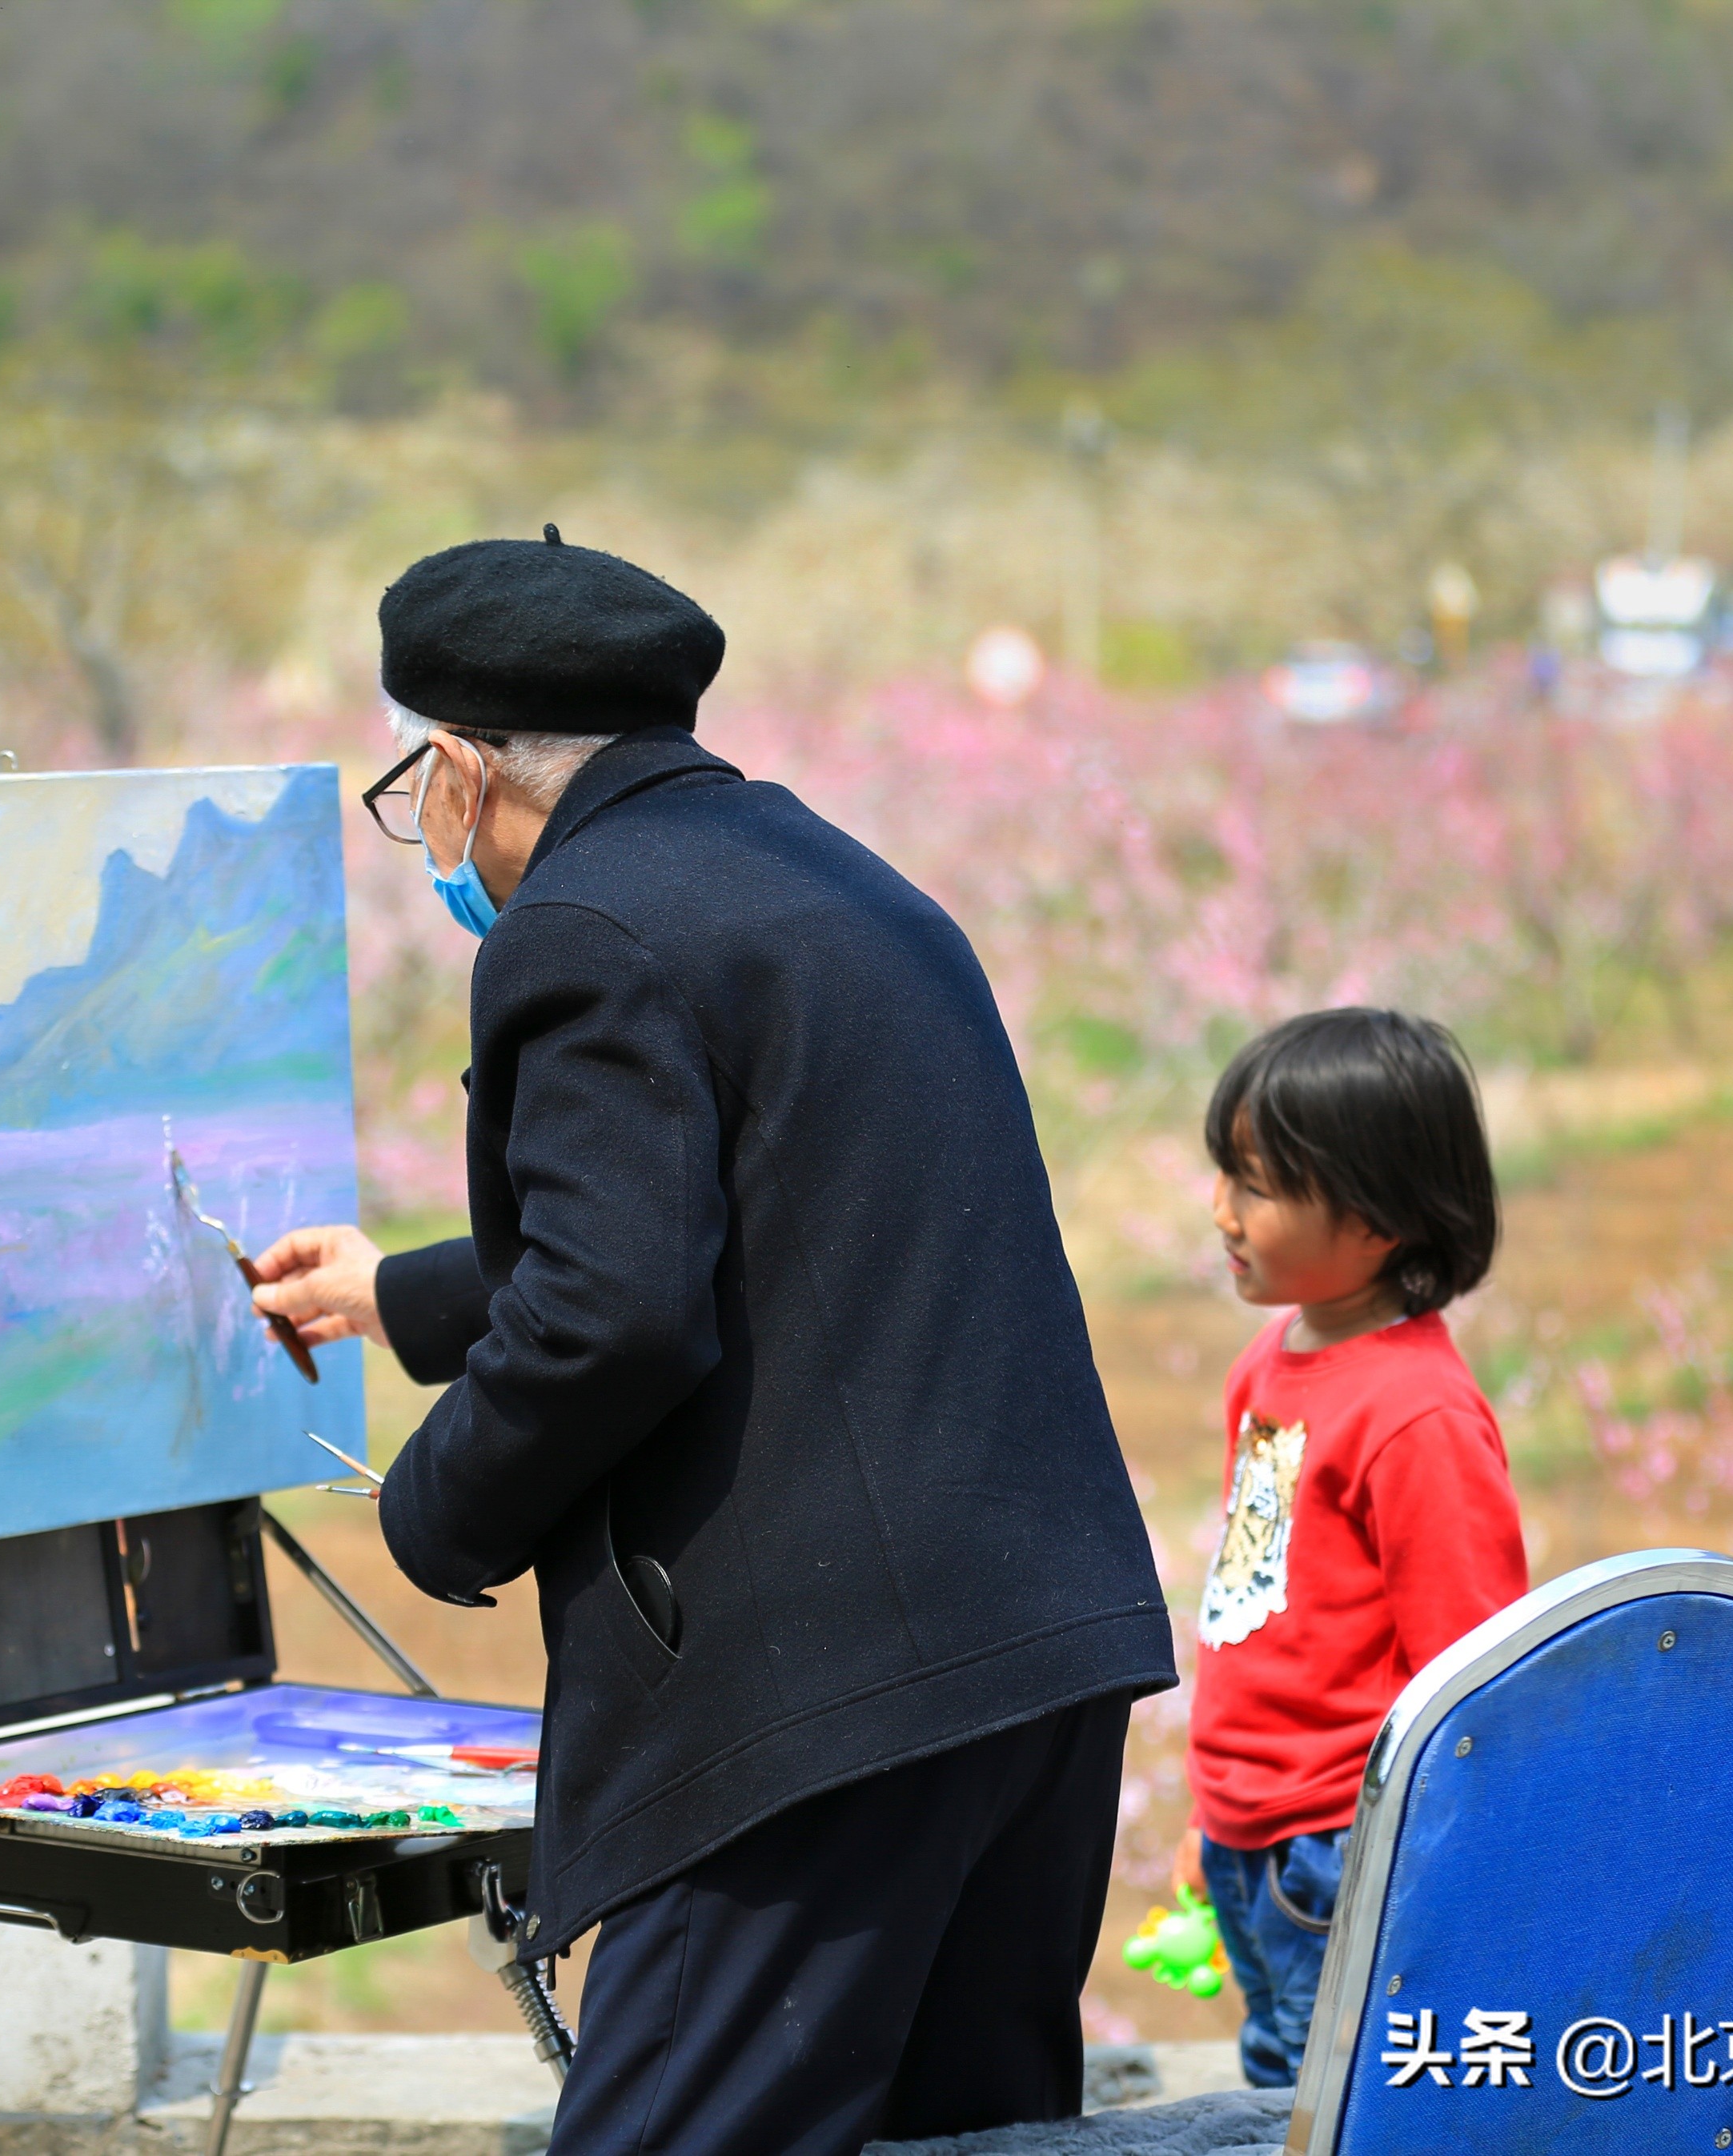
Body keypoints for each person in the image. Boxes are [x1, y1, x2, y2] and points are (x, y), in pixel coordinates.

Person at [251, 527, 1174, 2156]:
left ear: (461, 768)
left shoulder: (583, 929)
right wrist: (400, 1297)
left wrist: (428, 1511)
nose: (427, 828)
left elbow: (613, 1314)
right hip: (1030, 1656)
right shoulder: (833, 877)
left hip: (811, 1708)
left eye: (419, 785)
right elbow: (757, 1213)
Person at [1172, 1008, 1526, 2090]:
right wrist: (1215, 1815)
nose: (1221, 1212)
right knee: (1283, 2070)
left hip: (1336, 1839)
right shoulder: (1268, 1364)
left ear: (1376, 1219)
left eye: (1257, 1184)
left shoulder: (1414, 1414)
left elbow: (1469, 1666)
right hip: (1255, 1833)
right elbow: (1257, 1607)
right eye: (1221, 1172)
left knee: (1339, 2091)